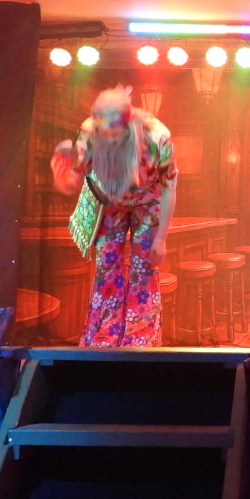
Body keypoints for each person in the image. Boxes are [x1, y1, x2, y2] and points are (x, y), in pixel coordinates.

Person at [51, 85, 177, 347]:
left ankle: (140, 339)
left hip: (149, 201)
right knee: (106, 266)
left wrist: (161, 238)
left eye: (114, 136)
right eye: (103, 136)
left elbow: (169, 189)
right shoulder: (89, 131)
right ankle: (103, 337)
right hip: (108, 199)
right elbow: (72, 184)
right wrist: (59, 173)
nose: (107, 141)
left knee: (143, 269)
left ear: (128, 126)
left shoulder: (158, 137)